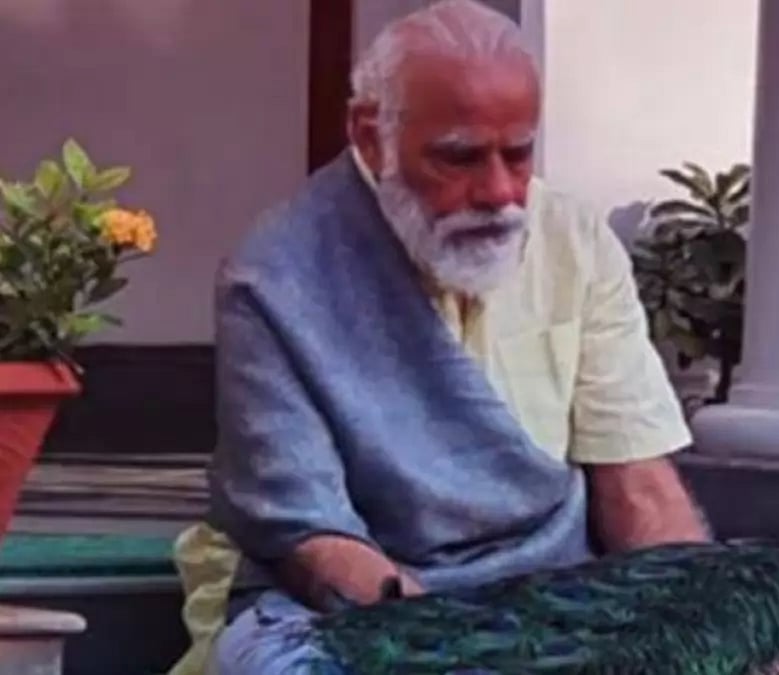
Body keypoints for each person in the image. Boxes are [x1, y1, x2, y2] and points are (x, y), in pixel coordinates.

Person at [167, 1, 709, 673]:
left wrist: (702, 623)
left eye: (518, 154)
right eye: (460, 157)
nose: (499, 192)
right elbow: (311, 536)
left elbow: (638, 486)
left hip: (562, 596)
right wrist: (453, 649)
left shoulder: (574, 239)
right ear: (371, 136)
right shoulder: (275, 275)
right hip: (364, 607)